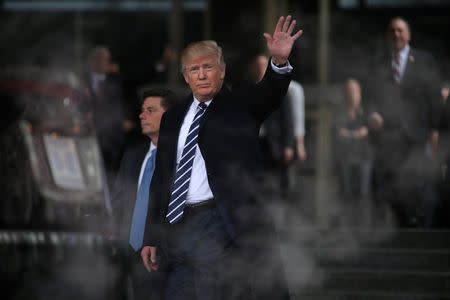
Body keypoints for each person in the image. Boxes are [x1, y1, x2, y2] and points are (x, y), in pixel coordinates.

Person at [140, 15, 303, 300]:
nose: (202, 75)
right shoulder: (173, 117)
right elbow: (161, 178)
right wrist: (150, 236)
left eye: (208, 67)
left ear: (222, 71)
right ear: (185, 75)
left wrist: (277, 63)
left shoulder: (239, 104)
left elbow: (269, 94)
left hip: (218, 222)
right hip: (176, 229)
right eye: (194, 69)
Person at [366, 17, 441, 227]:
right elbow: (369, 96)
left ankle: (423, 232)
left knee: (418, 183)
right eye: (392, 31)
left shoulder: (424, 60)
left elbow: (434, 96)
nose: (396, 34)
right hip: (388, 138)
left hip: (417, 134)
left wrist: (435, 130)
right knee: (391, 186)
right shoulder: (379, 63)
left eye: (400, 30)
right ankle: (399, 231)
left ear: (408, 35)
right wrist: (372, 114)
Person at [112, 88, 176, 300]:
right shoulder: (132, 156)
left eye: (150, 110)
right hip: (126, 255)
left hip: (163, 257)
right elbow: (118, 202)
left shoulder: (181, 158)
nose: (141, 116)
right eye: (142, 110)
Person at [249, 54, 296, 200]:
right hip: (253, 143)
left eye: (263, 65)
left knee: (275, 184)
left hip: (273, 144)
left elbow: (288, 121)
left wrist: (288, 145)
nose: (260, 69)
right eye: (257, 66)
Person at [84, 46, 127, 183]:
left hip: (113, 138)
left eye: (106, 60)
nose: (105, 63)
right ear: (93, 61)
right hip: (90, 136)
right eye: (101, 59)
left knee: (112, 177)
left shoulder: (115, 79)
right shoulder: (82, 81)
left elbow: (135, 82)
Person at [334, 78, 373, 225]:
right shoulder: (339, 112)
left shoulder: (367, 111)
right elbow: (339, 135)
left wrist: (349, 135)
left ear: (360, 94)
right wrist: (357, 135)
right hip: (345, 159)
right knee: (346, 194)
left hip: (364, 158)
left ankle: (364, 227)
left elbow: (367, 131)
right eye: (349, 91)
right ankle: (347, 228)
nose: (352, 95)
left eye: (355, 91)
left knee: (363, 194)